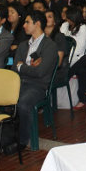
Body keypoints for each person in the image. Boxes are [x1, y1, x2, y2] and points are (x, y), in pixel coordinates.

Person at [9, 10, 59, 149]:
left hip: (37, 86)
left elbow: (40, 72)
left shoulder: (49, 45)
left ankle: (22, 141)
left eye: (27, 22)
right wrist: (24, 68)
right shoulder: (23, 45)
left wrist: (22, 67)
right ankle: (3, 137)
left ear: (37, 24)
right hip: (19, 83)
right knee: (0, 98)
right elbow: (14, 68)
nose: (24, 25)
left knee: (23, 104)